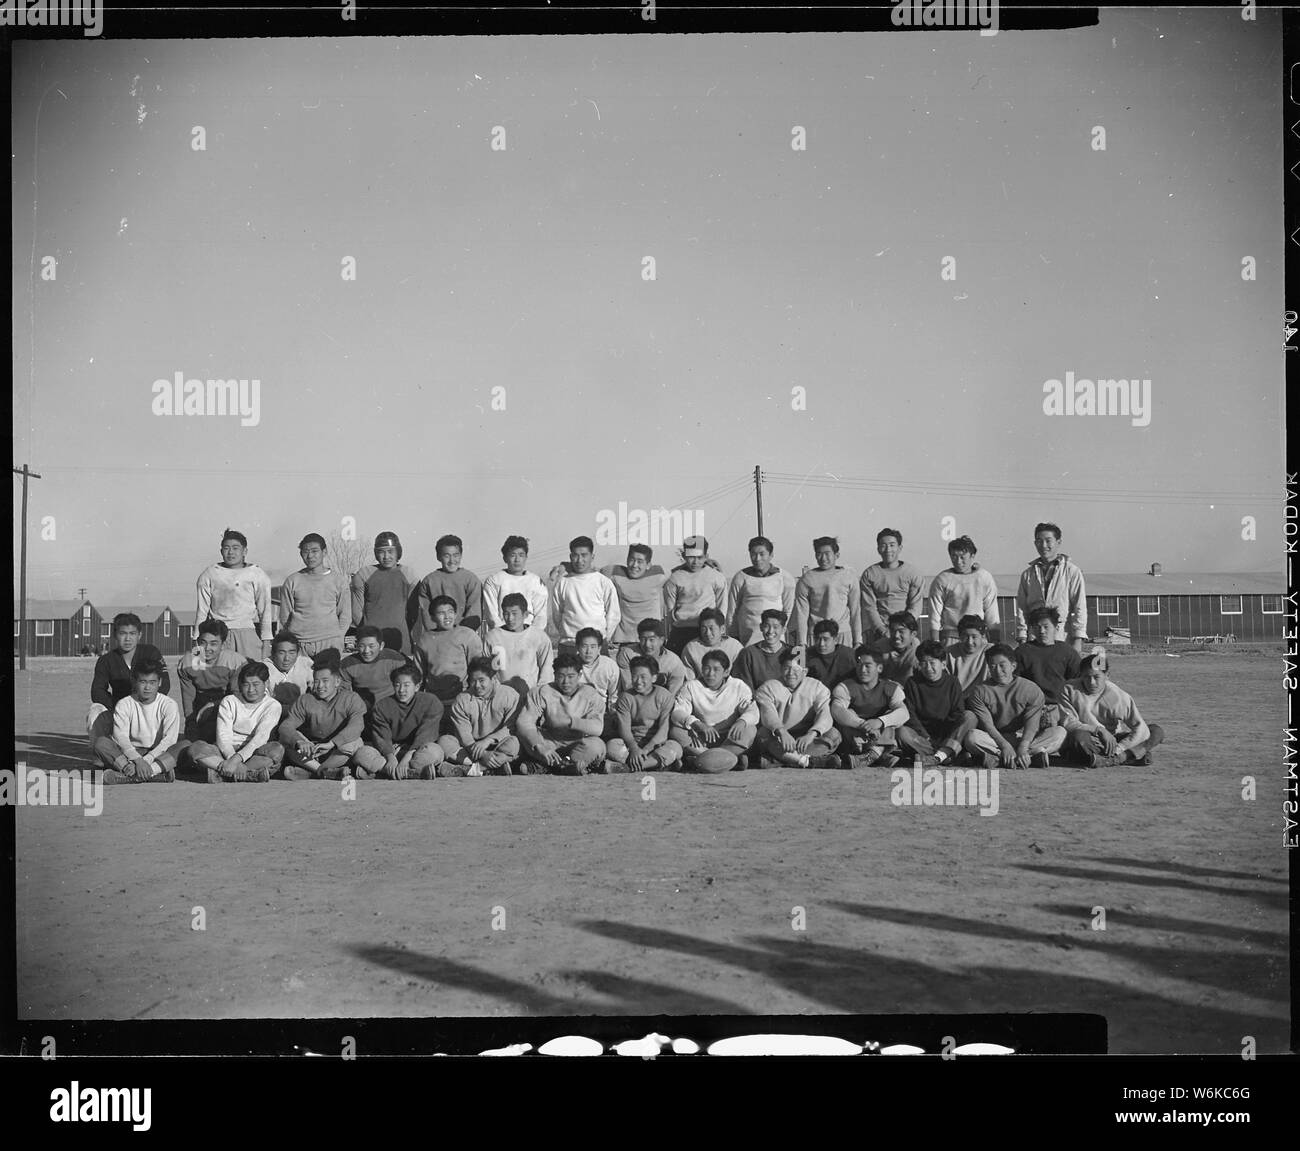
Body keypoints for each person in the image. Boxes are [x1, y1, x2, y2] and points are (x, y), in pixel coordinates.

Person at [963, 644, 1067, 769]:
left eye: (1002, 665)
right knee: (972, 737)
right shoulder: (979, 691)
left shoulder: (1030, 689)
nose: (997, 670)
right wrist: (1004, 746)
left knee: (1059, 732)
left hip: (1022, 738)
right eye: (992, 666)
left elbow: (1032, 725)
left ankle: (1006, 758)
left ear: (1013, 666)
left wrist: (1023, 746)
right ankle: (1026, 757)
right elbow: (988, 725)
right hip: (994, 738)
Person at [277, 650, 371, 780]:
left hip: (337, 751)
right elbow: (286, 726)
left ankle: (314, 772)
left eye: (325, 681)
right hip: (314, 751)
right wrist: (299, 741)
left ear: (337, 682)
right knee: (287, 741)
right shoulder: (306, 700)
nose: (320, 686)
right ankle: (325, 772)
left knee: (355, 742)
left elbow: (356, 726)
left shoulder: (351, 699)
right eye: (316, 681)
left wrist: (331, 744)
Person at [1060, 652, 1165, 767]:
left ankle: (1115, 759)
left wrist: (1120, 749)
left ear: (1107, 675)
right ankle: (1131, 756)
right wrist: (1098, 730)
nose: (1091, 682)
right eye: (1086, 677)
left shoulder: (1118, 696)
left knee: (1155, 731)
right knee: (1078, 737)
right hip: (1090, 738)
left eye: (1096, 677)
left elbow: (1141, 729)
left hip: (1114, 740)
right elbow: (1068, 723)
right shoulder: (1069, 690)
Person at [188, 661, 283, 783]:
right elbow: (223, 736)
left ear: (266, 683)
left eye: (256, 684)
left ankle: (223, 773)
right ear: (239, 684)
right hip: (225, 752)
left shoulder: (273, 705)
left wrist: (237, 760)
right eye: (246, 684)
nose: (251, 690)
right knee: (196, 748)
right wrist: (232, 760)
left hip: (254, 752)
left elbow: (261, 738)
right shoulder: (229, 701)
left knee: (276, 750)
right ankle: (247, 774)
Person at [87, 613, 170, 752]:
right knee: (95, 710)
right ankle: (100, 754)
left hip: (147, 708)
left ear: (140, 635)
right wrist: (120, 708)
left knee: (167, 704)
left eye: (132, 633)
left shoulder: (151, 652)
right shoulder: (106, 660)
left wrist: (141, 704)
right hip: (118, 710)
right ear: (115, 635)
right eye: (123, 633)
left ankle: (155, 749)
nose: (127, 638)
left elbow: (165, 684)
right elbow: (97, 691)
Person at [516, 652, 608, 775]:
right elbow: (525, 722)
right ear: (554, 675)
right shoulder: (542, 692)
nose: (565, 681)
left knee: (597, 745)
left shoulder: (590, 694)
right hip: (549, 741)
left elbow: (597, 728)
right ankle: (566, 767)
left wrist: (571, 722)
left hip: (577, 743)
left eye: (571, 676)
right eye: (561, 676)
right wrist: (539, 745)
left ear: (579, 675)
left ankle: (550, 766)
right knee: (523, 738)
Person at [91, 658, 180, 783]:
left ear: (160, 682)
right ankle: (152, 774)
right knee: (101, 743)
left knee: (183, 746)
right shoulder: (124, 704)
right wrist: (137, 760)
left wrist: (147, 760)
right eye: (143, 682)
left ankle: (132, 776)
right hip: (130, 755)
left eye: (152, 682)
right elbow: (120, 738)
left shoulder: (169, 705)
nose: (147, 687)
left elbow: (169, 740)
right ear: (134, 682)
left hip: (157, 754)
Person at [669, 649, 759, 774]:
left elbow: (752, 710)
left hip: (729, 738)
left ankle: (700, 761)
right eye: (706, 668)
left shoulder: (738, 686)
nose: (710, 673)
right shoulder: (691, 686)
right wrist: (697, 724)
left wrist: (742, 721)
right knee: (676, 731)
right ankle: (729, 761)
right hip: (701, 739)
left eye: (716, 669)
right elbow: (678, 712)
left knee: (750, 729)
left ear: (726, 672)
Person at [753, 651, 843, 769]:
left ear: (804, 672)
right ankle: (807, 761)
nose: (791, 673)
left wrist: (811, 734)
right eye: (787, 668)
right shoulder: (768, 687)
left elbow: (824, 714)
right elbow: (768, 714)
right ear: (780, 669)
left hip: (807, 739)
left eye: (796, 669)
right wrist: (782, 732)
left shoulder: (817, 687)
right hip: (780, 738)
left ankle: (781, 759)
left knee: (834, 734)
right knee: (762, 734)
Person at [195, 528, 275, 657]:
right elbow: (202, 611)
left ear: (245, 551)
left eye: (235, 548)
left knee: (250, 672)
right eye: (226, 548)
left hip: (247, 633)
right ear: (221, 551)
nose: (230, 552)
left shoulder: (257, 574)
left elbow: (265, 611)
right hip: (217, 633)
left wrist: (266, 644)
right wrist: (197, 641)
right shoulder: (209, 574)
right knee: (218, 672)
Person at [896, 641, 977, 767]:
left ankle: (939, 756)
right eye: (923, 663)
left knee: (969, 716)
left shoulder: (952, 682)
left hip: (948, 735)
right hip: (924, 738)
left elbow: (958, 712)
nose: (928, 668)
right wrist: (925, 736)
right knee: (902, 732)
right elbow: (910, 714)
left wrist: (946, 738)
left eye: (932, 663)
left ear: (943, 664)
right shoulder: (912, 683)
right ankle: (944, 755)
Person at [360, 663, 446, 780]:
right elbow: (381, 737)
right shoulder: (382, 706)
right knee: (362, 753)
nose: (401, 690)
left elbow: (426, 734)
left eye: (406, 685)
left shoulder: (431, 702)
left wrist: (407, 758)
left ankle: (382, 772)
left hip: (417, 751)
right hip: (391, 751)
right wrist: (390, 758)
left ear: (417, 686)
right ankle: (412, 772)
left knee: (435, 752)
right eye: (397, 685)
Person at [442, 658, 523, 777]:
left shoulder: (510, 695)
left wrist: (488, 740)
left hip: (499, 745)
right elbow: (464, 736)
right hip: (472, 749)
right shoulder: (462, 700)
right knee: (445, 742)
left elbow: (510, 728)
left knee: (514, 744)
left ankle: (474, 768)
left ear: (493, 678)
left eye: (481, 680)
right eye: (473, 681)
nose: (477, 685)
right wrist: (483, 754)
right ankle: (492, 767)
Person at [1014, 522, 1087, 653]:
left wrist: (1078, 639)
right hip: (1034, 638)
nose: (1044, 546)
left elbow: (1079, 607)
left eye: (1048, 541)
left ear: (1058, 542)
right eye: (1039, 541)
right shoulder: (1027, 574)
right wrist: (1022, 637)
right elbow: (1022, 608)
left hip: (1062, 637)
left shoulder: (1072, 572)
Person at [830, 647, 909, 768]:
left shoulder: (891, 688)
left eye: (868, 666)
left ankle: (873, 754)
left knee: (892, 714)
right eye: (859, 665)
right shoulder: (845, 687)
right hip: (856, 738)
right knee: (849, 712)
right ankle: (879, 756)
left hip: (879, 734)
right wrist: (863, 725)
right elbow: (837, 710)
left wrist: (879, 722)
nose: (862, 670)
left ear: (879, 668)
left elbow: (904, 713)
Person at [605, 655, 683, 773]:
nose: (638, 681)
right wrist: (634, 748)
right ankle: (657, 765)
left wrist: (645, 750)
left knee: (675, 747)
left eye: (643, 677)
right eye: (634, 676)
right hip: (632, 744)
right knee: (612, 746)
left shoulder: (665, 696)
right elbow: (624, 729)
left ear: (654, 678)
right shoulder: (626, 698)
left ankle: (628, 767)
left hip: (656, 745)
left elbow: (663, 731)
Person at [278, 533, 349, 657]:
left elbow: (345, 615)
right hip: (300, 643)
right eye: (305, 552)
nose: (310, 556)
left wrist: (338, 637)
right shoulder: (292, 580)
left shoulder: (338, 580)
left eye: (314, 551)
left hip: (330, 641)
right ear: (301, 554)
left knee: (327, 676)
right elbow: (285, 616)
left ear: (324, 552)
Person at [176, 619, 244, 746]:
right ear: (197, 642)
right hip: (200, 708)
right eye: (203, 643)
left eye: (214, 644)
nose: (207, 648)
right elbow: (188, 699)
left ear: (223, 645)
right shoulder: (188, 662)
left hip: (228, 708)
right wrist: (192, 723)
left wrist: (213, 705)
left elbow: (237, 697)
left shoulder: (235, 662)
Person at [350, 531, 419, 655]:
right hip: (372, 639)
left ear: (398, 552)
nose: (386, 557)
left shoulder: (409, 574)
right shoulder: (364, 574)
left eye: (390, 551)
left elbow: (414, 613)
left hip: (400, 637)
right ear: (376, 554)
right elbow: (356, 613)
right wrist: (367, 634)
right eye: (381, 552)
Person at [547, 536, 620, 651]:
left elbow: (613, 615)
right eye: (576, 555)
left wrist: (602, 638)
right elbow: (557, 614)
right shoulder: (562, 583)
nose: (579, 560)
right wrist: (566, 634)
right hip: (569, 644)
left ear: (592, 556)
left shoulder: (603, 582)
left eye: (584, 555)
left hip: (597, 644)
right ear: (571, 557)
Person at [661, 535, 729, 654]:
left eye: (699, 557)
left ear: (706, 556)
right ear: (684, 556)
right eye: (691, 557)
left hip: (706, 631)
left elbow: (722, 607)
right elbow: (670, 610)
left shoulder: (716, 577)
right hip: (681, 630)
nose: (695, 561)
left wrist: (718, 632)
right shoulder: (675, 578)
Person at [1014, 606, 1082, 724]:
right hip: (1030, 707)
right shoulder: (1022, 652)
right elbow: (1014, 683)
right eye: (1037, 627)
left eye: (1046, 627)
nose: (1041, 631)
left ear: (1056, 627)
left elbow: (1078, 682)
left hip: (1060, 706)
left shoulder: (1067, 652)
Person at [859, 529, 926, 650]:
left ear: (900, 548)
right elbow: (869, 607)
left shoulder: (912, 573)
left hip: (906, 631)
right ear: (878, 548)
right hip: (880, 632)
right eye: (883, 545)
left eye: (892, 545)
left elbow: (915, 606)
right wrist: (882, 630)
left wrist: (902, 629)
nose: (888, 550)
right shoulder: (869, 574)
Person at [413, 594, 486, 704]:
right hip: (435, 700)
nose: (447, 616)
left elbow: (478, 669)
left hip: (463, 698)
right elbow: (419, 673)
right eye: (441, 613)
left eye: (450, 612)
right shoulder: (424, 640)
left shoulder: (467, 635)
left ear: (456, 614)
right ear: (432, 617)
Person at [927, 535, 1000, 643]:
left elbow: (991, 612)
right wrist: (935, 641)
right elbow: (934, 614)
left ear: (972, 556)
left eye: (962, 557)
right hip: (951, 638)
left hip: (977, 638)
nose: (958, 561)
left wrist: (995, 642)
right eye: (954, 556)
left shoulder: (984, 578)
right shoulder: (942, 579)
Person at [792, 536, 862, 648]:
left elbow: (855, 611)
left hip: (842, 634)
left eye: (827, 553)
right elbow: (802, 614)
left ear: (836, 555)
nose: (823, 558)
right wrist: (802, 642)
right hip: (816, 635)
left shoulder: (849, 577)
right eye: (819, 553)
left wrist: (858, 641)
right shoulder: (806, 579)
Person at [728, 536, 797, 645]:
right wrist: (733, 636)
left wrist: (778, 631)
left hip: (775, 635)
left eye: (762, 554)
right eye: (753, 554)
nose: (757, 558)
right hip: (747, 636)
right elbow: (732, 610)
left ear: (771, 555)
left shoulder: (785, 578)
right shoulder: (740, 577)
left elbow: (788, 610)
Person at [413, 534, 483, 641]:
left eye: (456, 555)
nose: (451, 560)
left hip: (464, 636)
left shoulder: (471, 579)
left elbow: (474, 612)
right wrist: (438, 634)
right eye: (446, 556)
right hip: (438, 637)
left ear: (461, 555)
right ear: (438, 556)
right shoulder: (429, 581)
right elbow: (426, 614)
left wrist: (461, 634)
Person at [485, 592, 554, 698]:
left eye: (514, 613)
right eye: (506, 613)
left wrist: (539, 696)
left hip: (529, 697)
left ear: (525, 614)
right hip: (499, 697)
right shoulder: (492, 637)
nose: (510, 618)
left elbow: (547, 671)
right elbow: (485, 670)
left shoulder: (539, 637)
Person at [601, 544, 668, 653]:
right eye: (631, 560)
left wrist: (707, 561)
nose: (634, 565)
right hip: (625, 639)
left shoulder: (659, 574)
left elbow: (681, 569)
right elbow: (588, 568)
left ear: (648, 565)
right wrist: (564, 566)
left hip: (651, 639)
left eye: (640, 561)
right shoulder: (614, 573)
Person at [481, 535, 549, 632]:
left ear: (526, 557)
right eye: (513, 555)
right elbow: (492, 615)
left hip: (529, 634)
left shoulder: (536, 582)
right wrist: (505, 634)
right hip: (503, 633)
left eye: (521, 555)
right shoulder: (494, 581)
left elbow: (541, 615)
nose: (517, 560)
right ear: (505, 558)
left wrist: (531, 635)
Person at [339, 625, 408, 715]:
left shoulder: (395, 659)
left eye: (371, 646)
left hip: (393, 707)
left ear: (381, 646)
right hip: (364, 710)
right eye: (361, 646)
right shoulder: (347, 665)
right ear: (356, 645)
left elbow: (406, 686)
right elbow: (344, 693)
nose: (366, 651)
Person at [615, 618, 688, 698]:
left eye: (651, 640)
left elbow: (672, 693)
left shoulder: (673, 662)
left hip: (662, 703)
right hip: (634, 700)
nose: (647, 644)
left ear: (662, 640)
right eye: (643, 639)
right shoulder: (627, 654)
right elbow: (628, 686)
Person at [730, 608, 794, 690]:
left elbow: (802, 684)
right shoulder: (748, 654)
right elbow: (743, 688)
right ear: (761, 627)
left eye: (775, 627)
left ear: (783, 630)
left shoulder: (795, 652)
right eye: (767, 626)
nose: (770, 631)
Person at [681, 608, 744, 680]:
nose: (707, 633)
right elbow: (689, 680)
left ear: (722, 629)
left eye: (711, 628)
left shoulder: (735, 647)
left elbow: (740, 678)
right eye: (704, 629)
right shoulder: (691, 648)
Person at [575, 626, 621, 717]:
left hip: (600, 710)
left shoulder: (609, 665)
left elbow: (614, 695)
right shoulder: (571, 664)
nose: (589, 651)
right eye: (584, 646)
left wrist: (612, 714)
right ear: (577, 647)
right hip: (575, 708)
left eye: (593, 647)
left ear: (599, 648)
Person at [263, 631, 315, 710]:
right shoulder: (263, 668)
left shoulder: (306, 664)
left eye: (292, 653)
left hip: (300, 712)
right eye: (281, 653)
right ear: (273, 653)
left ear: (298, 653)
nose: (287, 658)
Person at [944, 615, 993, 695]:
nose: (970, 642)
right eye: (965, 637)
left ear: (982, 636)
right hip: (958, 699)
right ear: (959, 636)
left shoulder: (991, 651)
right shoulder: (949, 653)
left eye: (974, 637)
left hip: (983, 698)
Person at [805, 619, 856, 689]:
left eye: (825, 639)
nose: (821, 644)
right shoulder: (805, 654)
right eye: (817, 639)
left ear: (835, 639)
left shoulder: (849, 655)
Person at [880, 611, 922, 685]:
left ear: (913, 634)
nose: (896, 635)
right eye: (893, 630)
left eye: (901, 631)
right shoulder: (879, 648)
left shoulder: (919, 652)